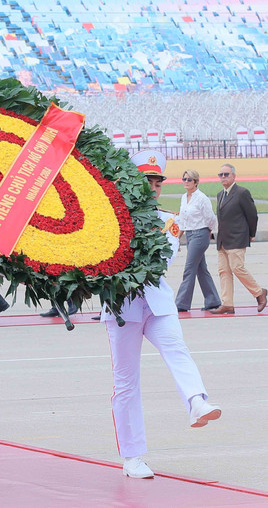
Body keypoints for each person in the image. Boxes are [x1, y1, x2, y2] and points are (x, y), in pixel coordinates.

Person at [103, 150, 221, 480]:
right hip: (122, 307)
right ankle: (132, 456)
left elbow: (160, 260)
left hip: (157, 302)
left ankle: (197, 401)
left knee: (177, 349)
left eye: (157, 182)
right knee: (126, 383)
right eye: (147, 181)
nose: (153, 187)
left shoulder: (169, 221)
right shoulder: (110, 218)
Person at [209, 163, 266, 314]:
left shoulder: (242, 193)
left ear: (234, 176)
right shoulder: (220, 195)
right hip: (222, 240)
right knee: (224, 272)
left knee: (237, 268)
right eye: (221, 174)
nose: (223, 177)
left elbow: (252, 215)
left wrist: (251, 234)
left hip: (237, 238)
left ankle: (259, 293)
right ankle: (227, 304)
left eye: (226, 174)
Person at [174, 169, 221, 312]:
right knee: (201, 269)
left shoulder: (201, 198)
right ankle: (213, 301)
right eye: (184, 179)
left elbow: (211, 219)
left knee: (189, 268)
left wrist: (208, 232)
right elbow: (182, 220)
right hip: (189, 235)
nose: (186, 182)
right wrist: (177, 239)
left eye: (189, 180)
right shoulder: (184, 197)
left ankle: (181, 304)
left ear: (196, 182)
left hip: (200, 235)